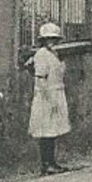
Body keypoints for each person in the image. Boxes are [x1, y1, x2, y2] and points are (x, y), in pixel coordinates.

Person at [28, 22, 72, 174]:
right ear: (43, 40)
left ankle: (52, 162)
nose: (52, 42)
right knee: (45, 131)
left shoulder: (55, 55)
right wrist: (49, 100)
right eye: (48, 39)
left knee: (53, 131)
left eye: (54, 39)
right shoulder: (41, 55)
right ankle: (46, 164)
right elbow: (40, 79)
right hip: (45, 95)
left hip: (56, 93)